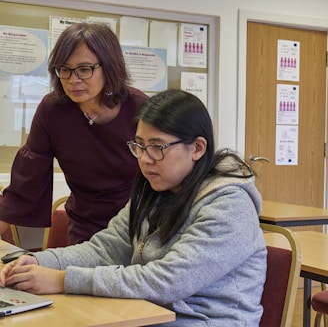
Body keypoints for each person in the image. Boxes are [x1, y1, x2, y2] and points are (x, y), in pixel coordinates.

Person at [0, 89, 267, 326]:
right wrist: (35, 262)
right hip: (144, 313)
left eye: (157, 147)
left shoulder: (229, 204)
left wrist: (61, 280)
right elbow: (104, 249)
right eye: (139, 146)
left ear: (197, 148)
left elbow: (167, 280)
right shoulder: (155, 190)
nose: (145, 159)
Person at [0, 22, 148, 244]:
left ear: (109, 67)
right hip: (85, 224)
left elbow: (165, 172)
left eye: (84, 69)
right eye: (65, 70)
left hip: (138, 222)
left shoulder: (140, 109)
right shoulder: (53, 111)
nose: (73, 80)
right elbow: (28, 178)